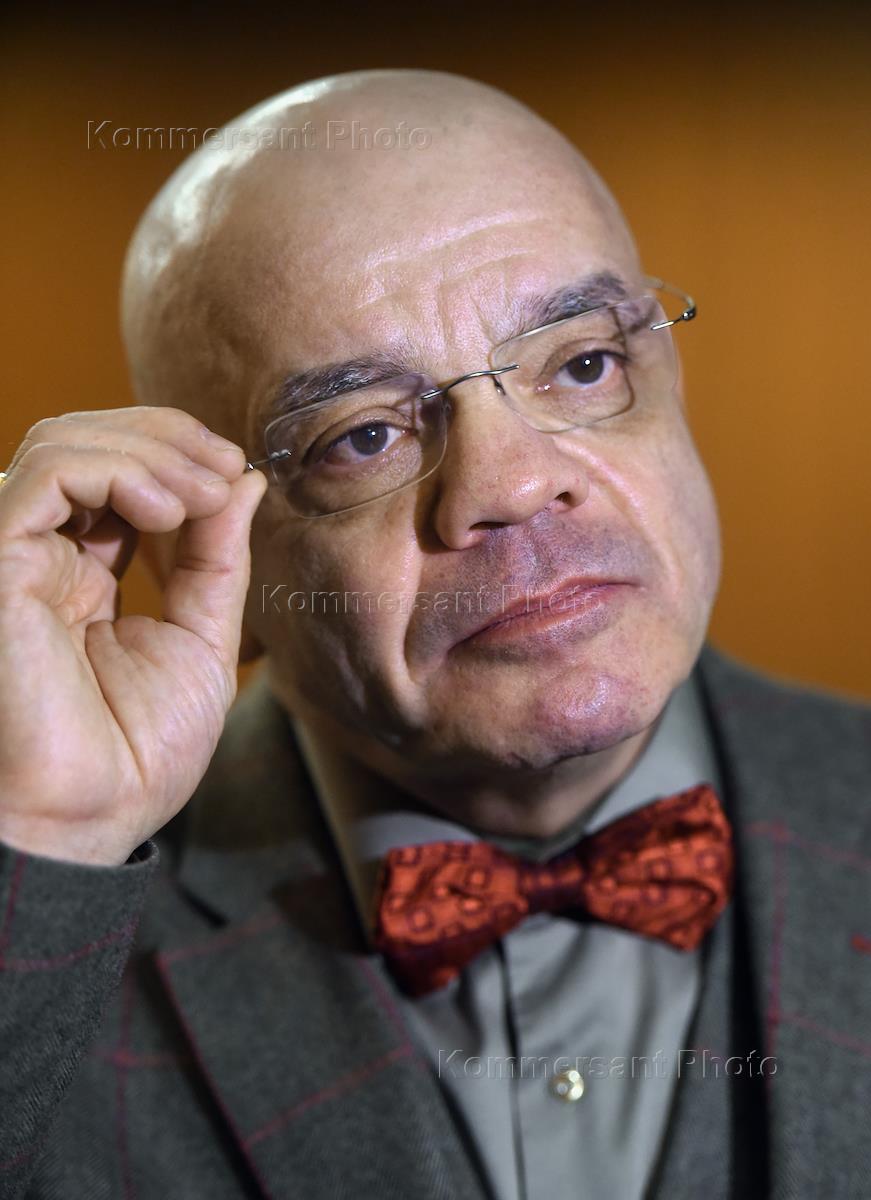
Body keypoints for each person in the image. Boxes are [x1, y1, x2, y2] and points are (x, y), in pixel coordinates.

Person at [0, 69, 868, 1200]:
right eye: (363, 435)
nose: (509, 485)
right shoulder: (49, 928)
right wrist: (47, 833)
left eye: (583, 364)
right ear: (211, 555)